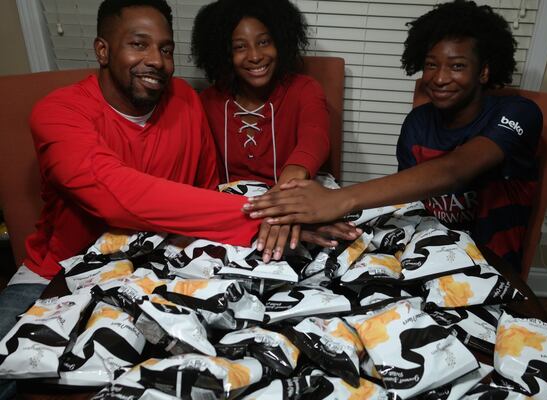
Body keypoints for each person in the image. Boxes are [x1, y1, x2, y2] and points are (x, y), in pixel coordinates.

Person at [0, 2, 353, 396]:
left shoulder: (184, 98)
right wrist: (268, 212)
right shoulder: (58, 112)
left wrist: (283, 208)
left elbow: (205, 192)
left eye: (165, 49)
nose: (156, 60)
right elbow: (116, 195)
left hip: (157, 273)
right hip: (59, 277)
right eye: (139, 44)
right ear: (102, 50)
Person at [244, 0, 543, 272]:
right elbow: (410, 202)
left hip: (492, 267)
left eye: (457, 66)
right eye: (430, 65)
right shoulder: (417, 123)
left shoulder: (519, 113)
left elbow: (455, 170)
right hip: (425, 260)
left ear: (484, 72)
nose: (439, 78)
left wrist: (339, 199)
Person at [191, 0, 330, 188]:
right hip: (229, 205)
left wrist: (294, 176)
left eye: (264, 42)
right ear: (224, 54)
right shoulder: (208, 101)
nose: (255, 56)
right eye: (240, 46)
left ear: (280, 43)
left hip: (290, 194)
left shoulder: (304, 90)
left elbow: (316, 137)